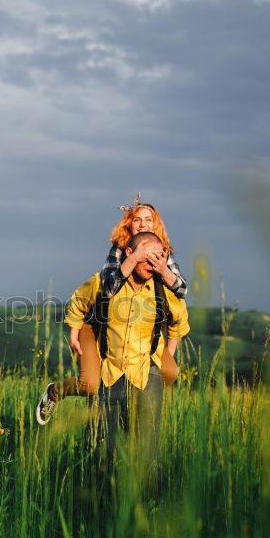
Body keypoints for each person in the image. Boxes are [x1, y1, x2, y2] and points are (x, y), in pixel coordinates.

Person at [36, 195, 188, 425]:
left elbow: (179, 294)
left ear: (156, 224)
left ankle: (128, 406)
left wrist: (163, 269)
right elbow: (108, 286)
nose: (143, 224)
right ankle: (55, 392)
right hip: (100, 324)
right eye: (138, 220)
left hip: (142, 329)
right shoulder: (120, 250)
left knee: (168, 374)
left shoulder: (162, 252)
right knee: (90, 384)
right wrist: (74, 330)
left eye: (148, 220)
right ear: (129, 223)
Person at [51, 231, 190, 469]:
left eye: (156, 259)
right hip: (109, 372)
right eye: (144, 258)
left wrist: (168, 353)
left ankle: (145, 503)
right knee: (99, 449)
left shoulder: (164, 290)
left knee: (147, 452)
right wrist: (74, 331)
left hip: (146, 375)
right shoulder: (105, 282)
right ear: (130, 254)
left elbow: (179, 322)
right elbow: (78, 301)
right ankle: (98, 501)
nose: (150, 264)